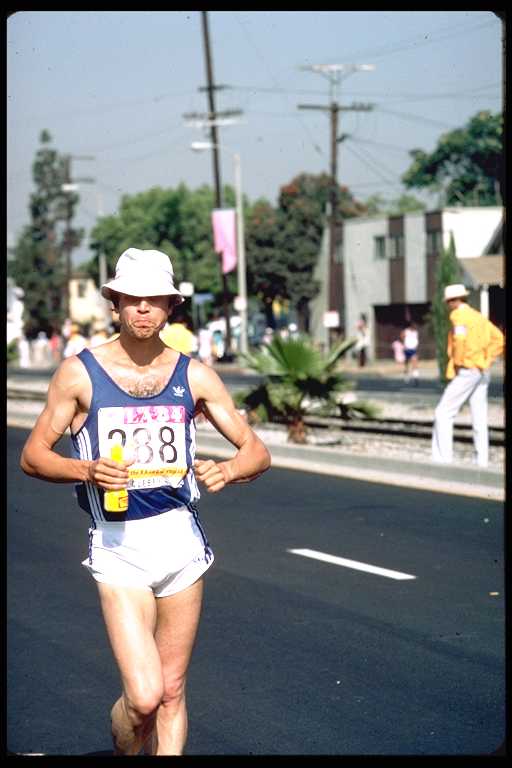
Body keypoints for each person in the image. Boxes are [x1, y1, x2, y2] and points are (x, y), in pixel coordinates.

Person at [20, 247, 271, 756]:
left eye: (154, 301)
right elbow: (32, 457)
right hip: (119, 545)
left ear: (170, 308)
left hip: (181, 542)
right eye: (132, 300)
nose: (142, 310)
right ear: (115, 304)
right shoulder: (79, 373)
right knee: (143, 698)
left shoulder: (194, 375)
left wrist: (230, 469)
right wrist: (86, 469)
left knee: (173, 691)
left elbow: (257, 452)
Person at [431, 283, 504, 468]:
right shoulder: (478, 316)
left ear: (453, 301)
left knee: (443, 412)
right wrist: (487, 359)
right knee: (480, 417)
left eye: (448, 302)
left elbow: (460, 341)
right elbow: (499, 339)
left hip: (467, 370)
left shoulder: (458, 316)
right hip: (481, 371)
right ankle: (482, 462)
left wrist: (457, 364)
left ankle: (443, 459)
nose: (448, 305)